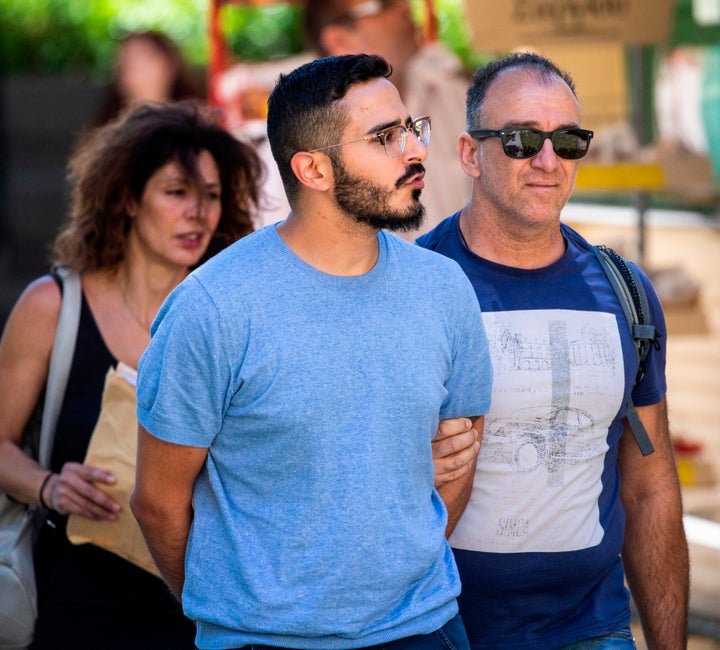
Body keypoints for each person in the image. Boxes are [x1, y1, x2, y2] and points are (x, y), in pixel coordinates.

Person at [130, 54, 493, 650]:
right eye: (384, 137)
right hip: (261, 641)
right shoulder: (212, 308)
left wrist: (396, 574)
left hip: (423, 630)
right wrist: (236, 613)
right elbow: (158, 503)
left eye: (410, 128)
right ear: (313, 170)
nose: (414, 150)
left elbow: (461, 458)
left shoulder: (444, 288)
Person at [417, 52, 689, 649]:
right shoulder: (412, 288)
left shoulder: (626, 293)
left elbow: (650, 488)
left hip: (592, 630)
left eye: (567, 139)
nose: (547, 160)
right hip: (436, 630)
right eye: (520, 140)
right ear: (469, 153)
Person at [0, 100, 262, 648]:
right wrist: (49, 485)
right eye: (176, 192)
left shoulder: (235, 314)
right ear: (125, 199)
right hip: (72, 608)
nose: (198, 213)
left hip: (208, 612)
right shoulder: (53, 306)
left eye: (212, 196)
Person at [219, 0, 470, 235]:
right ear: (338, 39)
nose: (405, 6)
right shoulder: (291, 145)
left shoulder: (459, 96)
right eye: (383, 3)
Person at [93, 31, 200, 126]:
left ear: (169, 65)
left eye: (142, 56)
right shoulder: (105, 130)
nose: (131, 63)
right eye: (125, 57)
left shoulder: (194, 126)